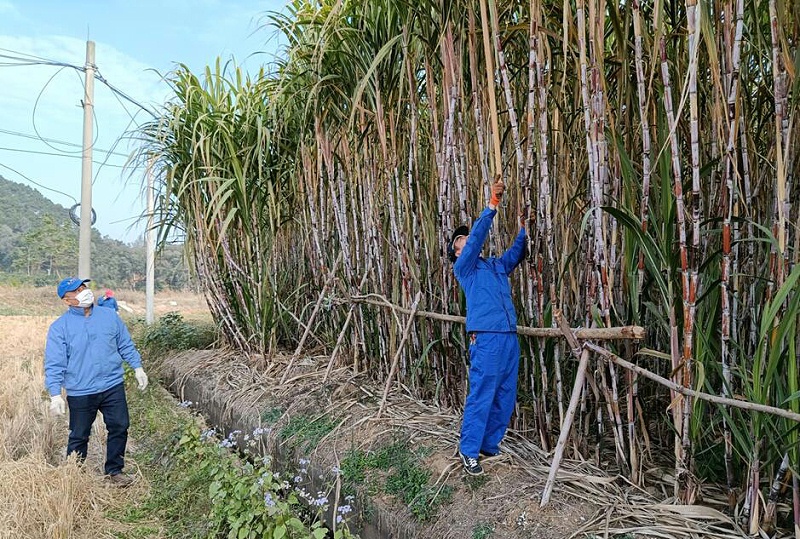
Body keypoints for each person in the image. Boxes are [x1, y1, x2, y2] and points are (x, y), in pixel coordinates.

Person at [447, 179, 527, 475]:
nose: (467, 242)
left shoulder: (494, 266)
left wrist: (524, 229)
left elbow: (514, 256)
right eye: (461, 242)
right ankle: (468, 450)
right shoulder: (463, 268)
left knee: (505, 393)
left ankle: (489, 446)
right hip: (487, 338)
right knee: (482, 392)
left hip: (509, 336)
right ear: (457, 252)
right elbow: (479, 235)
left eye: (466, 239)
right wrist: (492, 205)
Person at [45, 277, 149, 487]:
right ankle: (75, 475)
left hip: (112, 384)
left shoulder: (109, 316)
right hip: (81, 390)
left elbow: (125, 344)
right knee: (79, 435)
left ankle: (114, 471)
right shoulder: (60, 328)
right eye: (76, 290)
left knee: (120, 426)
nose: (84, 291)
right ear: (67, 300)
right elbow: (55, 363)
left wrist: (137, 367)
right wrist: (55, 394)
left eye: (83, 287)